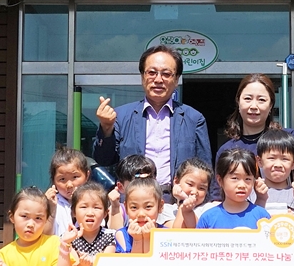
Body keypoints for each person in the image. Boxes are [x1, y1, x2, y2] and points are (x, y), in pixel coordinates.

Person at [92, 45, 212, 188]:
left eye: (166, 74)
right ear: (142, 76)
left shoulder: (194, 118)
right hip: (135, 197)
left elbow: (205, 168)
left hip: (178, 198)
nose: (158, 79)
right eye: (152, 72)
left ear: (176, 79)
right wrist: (106, 128)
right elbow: (104, 159)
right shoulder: (121, 116)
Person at [0, 188, 71, 266]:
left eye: (38, 218)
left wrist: (65, 248)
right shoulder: (4, 253)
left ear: (46, 220)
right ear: (12, 217)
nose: (31, 224)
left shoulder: (54, 243)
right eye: (24, 216)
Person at [62, 183, 114, 266]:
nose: (90, 212)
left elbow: (105, 264)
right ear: (73, 212)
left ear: (105, 213)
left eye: (96, 208)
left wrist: (90, 261)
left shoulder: (111, 236)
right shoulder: (68, 238)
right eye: (84, 207)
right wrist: (84, 265)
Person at [197, 149, 273, 230]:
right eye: (235, 178)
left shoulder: (262, 217)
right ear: (220, 180)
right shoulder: (208, 218)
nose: (242, 185)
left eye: (247, 179)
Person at [160, 157, 216, 228]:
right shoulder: (166, 210)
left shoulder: (210, 210)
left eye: (201, 188)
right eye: (190, 184)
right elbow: (177, 232)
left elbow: (199, 231)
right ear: (176, 182)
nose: (195, 192)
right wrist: (182, 203)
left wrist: (187, 210)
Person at [254, 127, 294, 213]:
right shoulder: (251, 193)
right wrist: (260, 198)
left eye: (284, 159)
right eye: (271, 158)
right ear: (259, 161)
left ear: (293, 163)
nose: (278, 165)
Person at [47, 148, 91, 236]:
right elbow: (44, 236)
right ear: (54, 181)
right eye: (62, 179)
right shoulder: (51, 203)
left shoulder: (94, 201)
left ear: (87, 175)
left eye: (75, 177)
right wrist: (50, 208)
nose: (69, 185)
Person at [117, 178, 165, 253]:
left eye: (148, 207)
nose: (141, 214)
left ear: (160, 206)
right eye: (134, 207)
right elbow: (136, 261)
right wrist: (137, 240)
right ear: (126, 208)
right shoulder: (121, 235)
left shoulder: (166, 235)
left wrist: (148, 238)